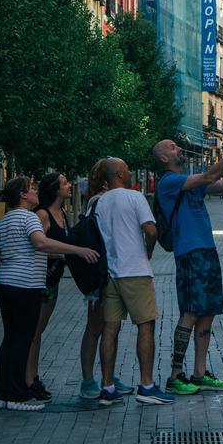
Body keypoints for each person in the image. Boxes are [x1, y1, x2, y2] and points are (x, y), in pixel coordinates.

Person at [154, 134, 223, 396]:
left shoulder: (189, 182)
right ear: (164, 158)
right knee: (191, 311)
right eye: (171, 146)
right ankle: (176, 374)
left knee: (207, 311)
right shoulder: (169, 181)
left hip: (207, 248)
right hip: (189, 251)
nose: (177, 148)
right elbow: (210, 176)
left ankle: (200, 373)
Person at [0, 177, 98, 412]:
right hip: (25, 286)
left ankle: (6, 393)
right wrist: (77, 251)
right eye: (30, 189)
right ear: (22, 195)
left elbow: (0, 253)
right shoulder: (30, 217)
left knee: (11, 339)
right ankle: (17, 395)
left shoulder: (7, 219)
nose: (34, 192)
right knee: (22, 340)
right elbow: (41, 243)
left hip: (7, 284)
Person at [96, 158, 174, 405]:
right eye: (127, 169)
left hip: (111, 272)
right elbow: (150, 230)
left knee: (110, 328)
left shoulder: (99, 202)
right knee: (146, 325)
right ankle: (147, 385)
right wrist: (148, 251)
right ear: (119, 174)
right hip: (135, 270)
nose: (130, 172)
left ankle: (107, 387)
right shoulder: (135, 197)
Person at [77, 162, 133, 400]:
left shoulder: (111, 199)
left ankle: (107, 376)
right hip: (102, 271)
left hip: (115, 269)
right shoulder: (98, 202)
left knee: (112, 327)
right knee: (95, 327)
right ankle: (88, 380)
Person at [25, 173, 70, 403]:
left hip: (53, 281)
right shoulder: (42, 214)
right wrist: (64, 255)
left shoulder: (62, 214)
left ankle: (32, 376)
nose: (69, 185)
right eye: (64, 183)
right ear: (54, 189)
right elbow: (38, 245)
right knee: (33, 332)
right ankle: (29, 380)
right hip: (40, 280)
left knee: (38, 332)